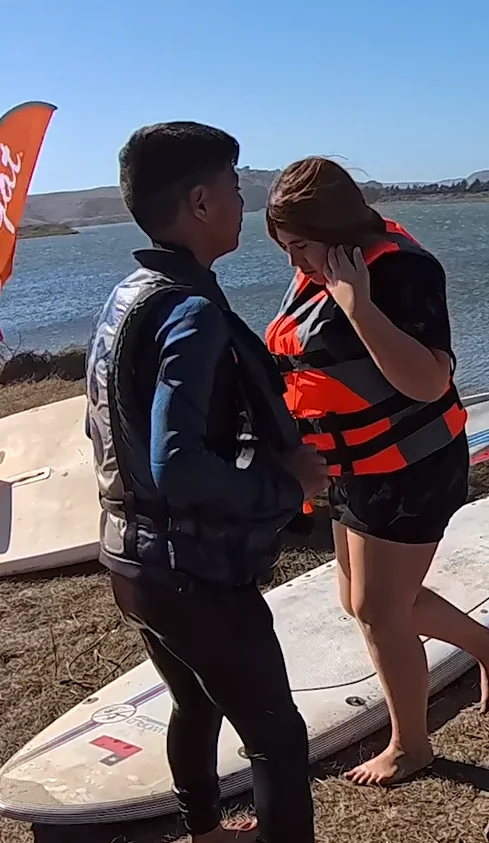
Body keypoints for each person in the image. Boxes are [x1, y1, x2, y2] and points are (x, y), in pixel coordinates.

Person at [89, 121, 321, 843]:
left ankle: (203, 831)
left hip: (131, 561)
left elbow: (107, 429)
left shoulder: (129, 293)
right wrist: (288, 488)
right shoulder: (189, 312)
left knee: (196, 703)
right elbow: (177, 464)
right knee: (278, 740)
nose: (242, 198)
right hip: (192, 574)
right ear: (198, 202)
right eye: (233, 185)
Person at [262, 156, 489, 786]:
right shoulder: (327, 264)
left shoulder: (401, 273)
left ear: (339, 231)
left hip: (411, 468)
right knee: (361, 601)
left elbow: (429, 381)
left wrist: (357, 305)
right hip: (355, 465)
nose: (294, 262)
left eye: (299, 246)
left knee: (379, 610)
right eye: (285, 248)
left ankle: (411, 745)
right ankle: (488, 645)